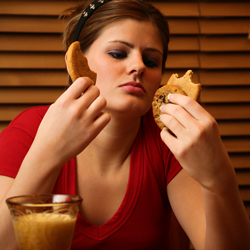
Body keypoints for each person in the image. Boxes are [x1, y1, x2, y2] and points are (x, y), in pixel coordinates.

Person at [0, 0, 249, 249]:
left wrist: (219, 178)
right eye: (118, 54)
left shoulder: (171, 142)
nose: (139, 66)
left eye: (151, 61)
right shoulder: (30, 130)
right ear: (78, 61)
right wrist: (49, 150)